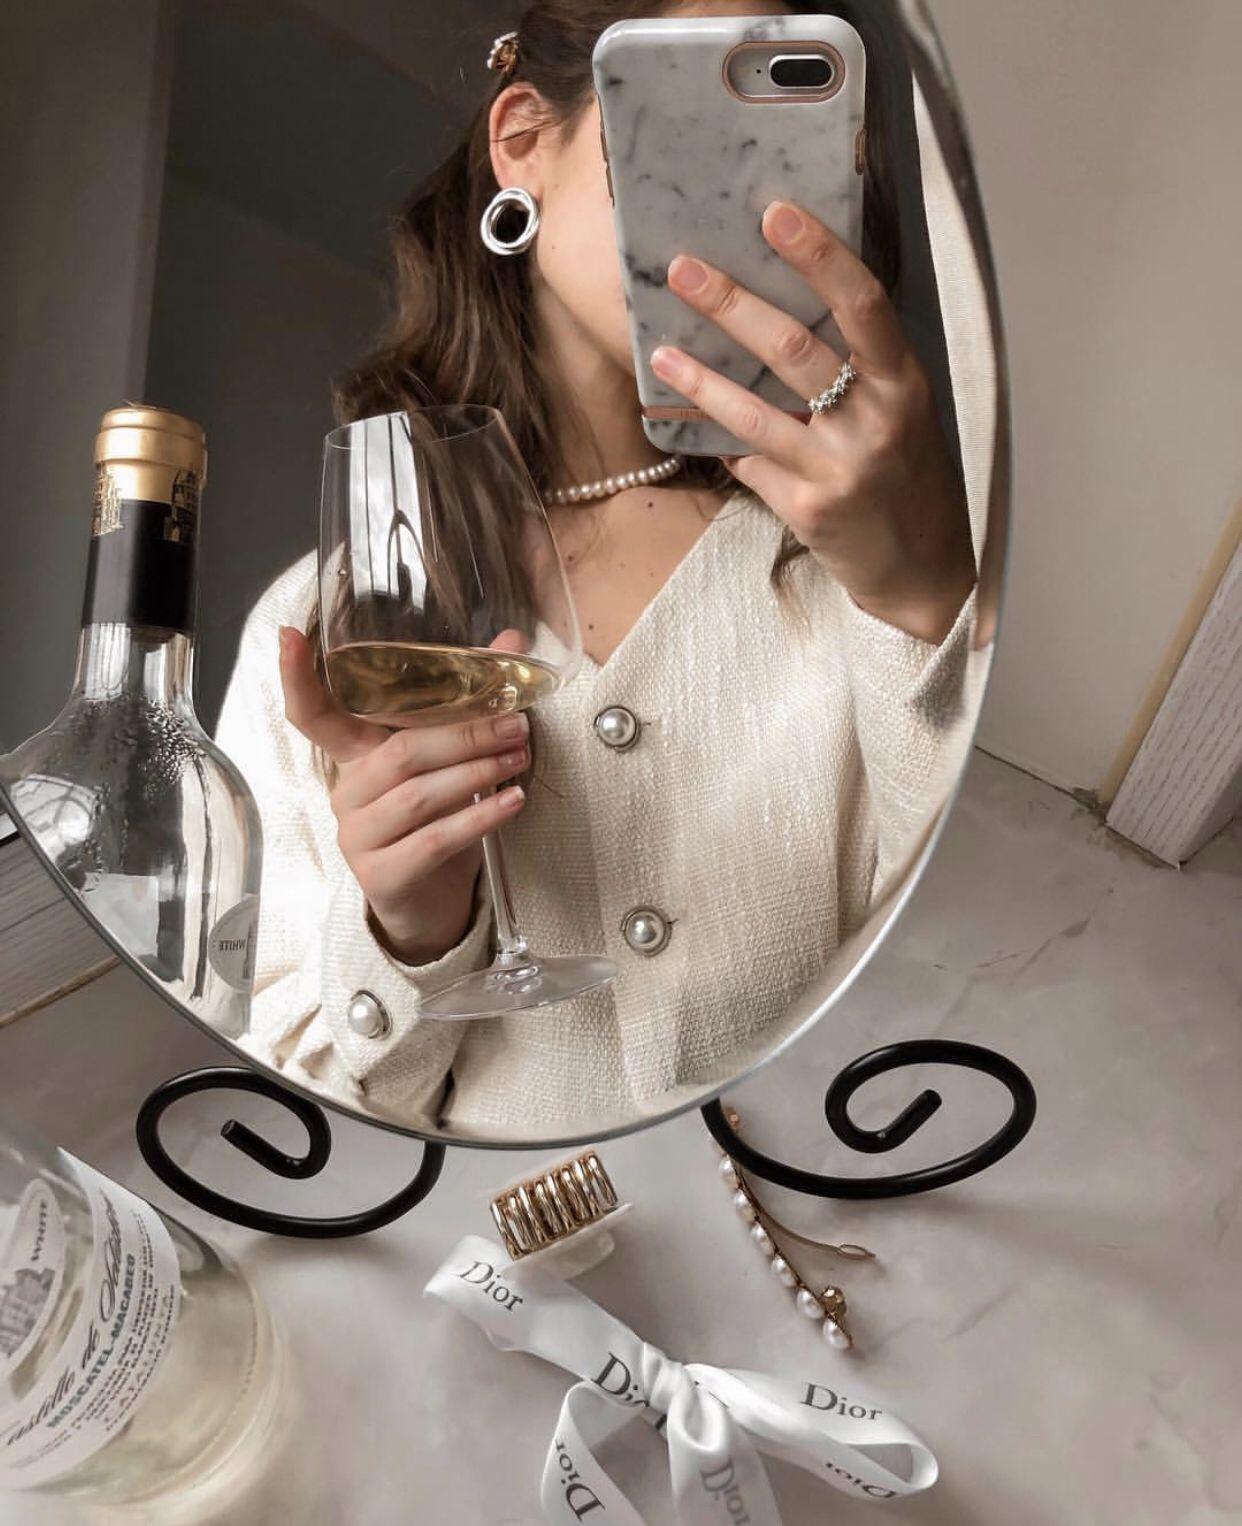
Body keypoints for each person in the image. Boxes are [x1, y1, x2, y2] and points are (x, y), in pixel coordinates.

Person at [216, 0, 984, 1135]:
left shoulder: (862, 575)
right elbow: (302, 1131)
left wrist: (922, 593)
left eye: (800, 163)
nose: (750, 206)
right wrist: (407, 931)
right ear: (524, 139)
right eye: (695, 123)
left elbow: (978, 966)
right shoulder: (329, 618)